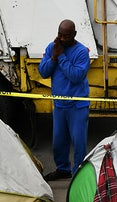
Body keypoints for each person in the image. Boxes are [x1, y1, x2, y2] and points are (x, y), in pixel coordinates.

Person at [38, 19, 91, 181]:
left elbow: (76, 76)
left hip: (77, 104)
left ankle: (77, 173)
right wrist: (53, 58)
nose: (62, 38)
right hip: (60, 104)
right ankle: (63, 169)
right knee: (59, 142)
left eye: (66, 36)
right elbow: (43, 72)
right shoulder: (52, 47)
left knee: (79, 142)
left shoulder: (82, 51)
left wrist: (61, 57)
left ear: (74, 34)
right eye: (60, 34)